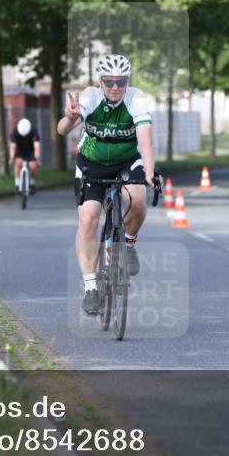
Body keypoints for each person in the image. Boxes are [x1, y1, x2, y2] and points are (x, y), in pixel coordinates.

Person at [57, 53, 159, 315]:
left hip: (127, 161)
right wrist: (70, 117)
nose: (115, 87)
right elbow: (61, 130)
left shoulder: (136, 99)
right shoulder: (90, 96)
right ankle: (91, 287)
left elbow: (145, 138)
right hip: (91, 163)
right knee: (88, 220)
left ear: (127, 82)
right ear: (100, 81)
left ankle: (129, 242)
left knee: (137, 201)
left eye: (120, 82)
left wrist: (149, 172)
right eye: (109, 82)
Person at [9, 118, 40, 195]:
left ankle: (32, 184)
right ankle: (17, 184)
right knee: (18, 163)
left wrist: (37, 159)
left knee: (33, 165)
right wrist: (11, 158)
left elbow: (37, 147)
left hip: (31, 150)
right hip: (20, 150)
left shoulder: (33, 131)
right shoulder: (15, 132)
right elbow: (13, 147)